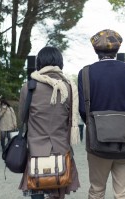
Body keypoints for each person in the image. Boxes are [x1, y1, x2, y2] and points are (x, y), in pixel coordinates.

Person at [78, 29, 125, 199]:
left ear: (95, 50)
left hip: (98, 142)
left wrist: (95, 125)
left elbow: (84, 110)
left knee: (97, 189)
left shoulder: (85, 73)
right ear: (117, 49)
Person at [18, 46, 80, 199]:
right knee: (57, 191)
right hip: (61, 148)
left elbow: (23, 118)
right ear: (60, 62)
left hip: (36, 149)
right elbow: (71, 117)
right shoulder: (69, 87)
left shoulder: (29, 87)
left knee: (37, 188)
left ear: (39, 63)